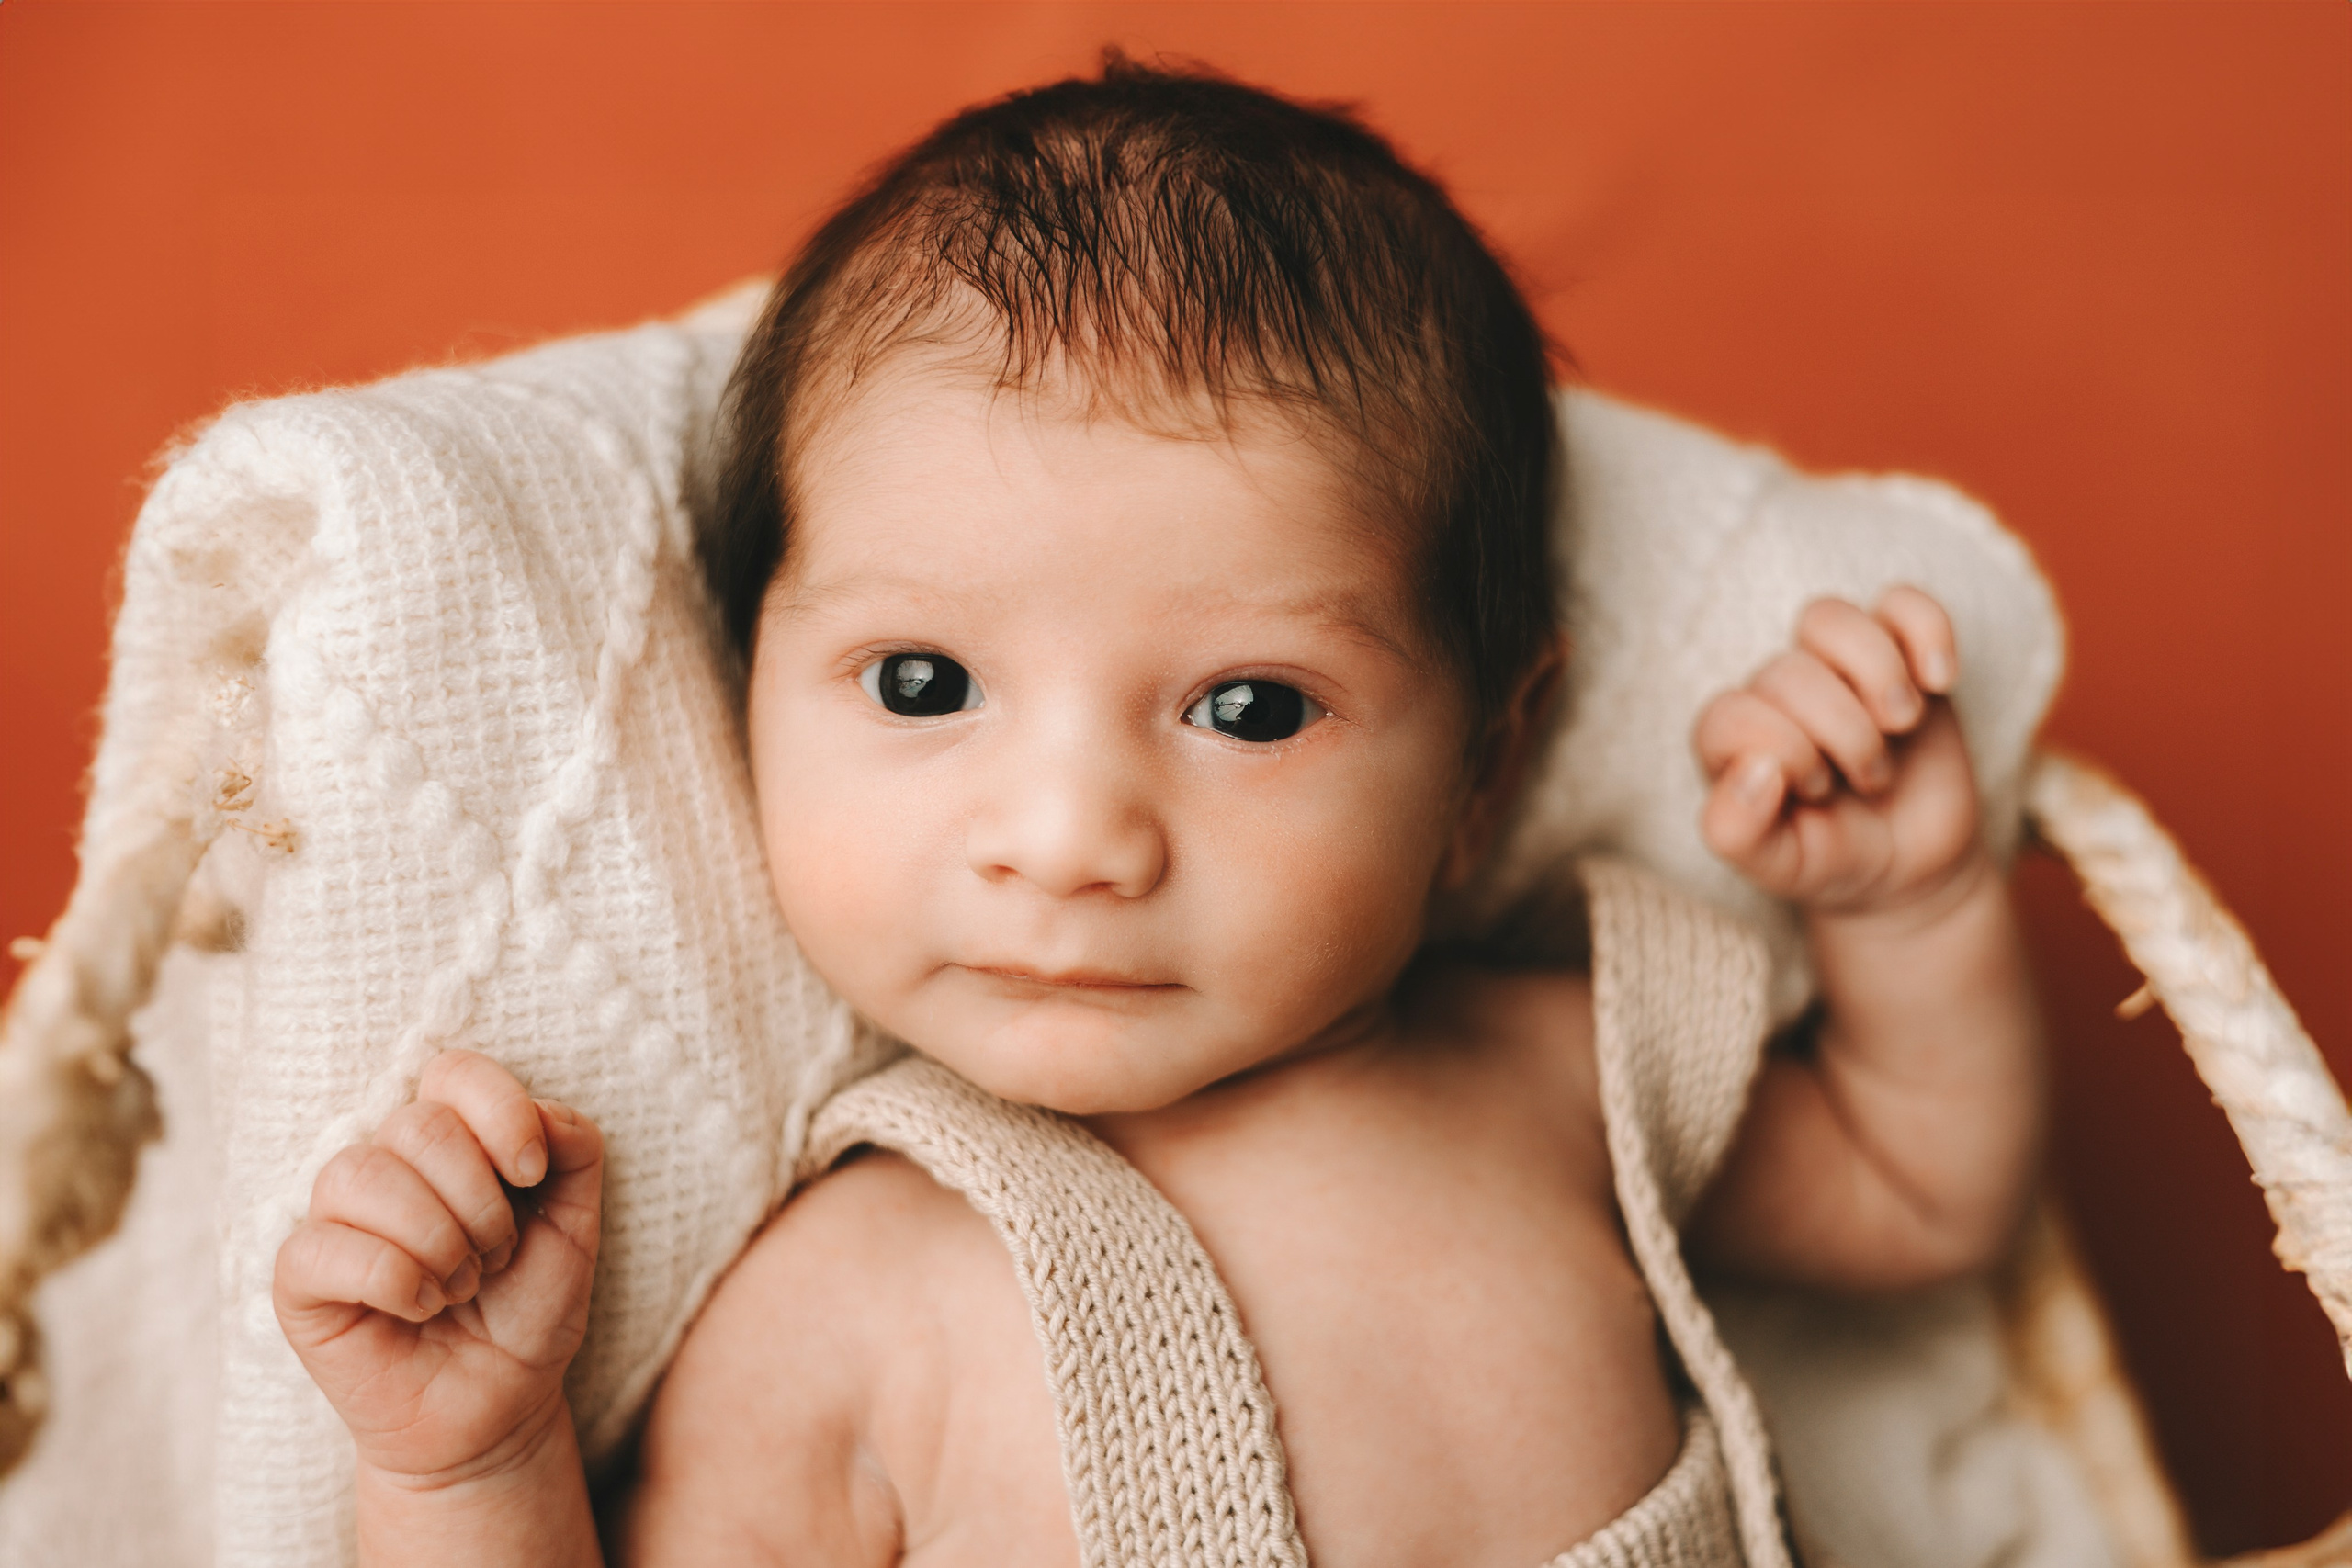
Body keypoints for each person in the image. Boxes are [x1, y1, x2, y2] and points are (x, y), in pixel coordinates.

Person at [269, 56, 2042, 1567]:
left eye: (1248, 709)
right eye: (922, 683)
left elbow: (1920, 1194)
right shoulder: (836, 1309)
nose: (1067, 841)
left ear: (1486, 767)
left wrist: (1911, 908)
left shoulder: (1554, 1074)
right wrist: (471, 1467)